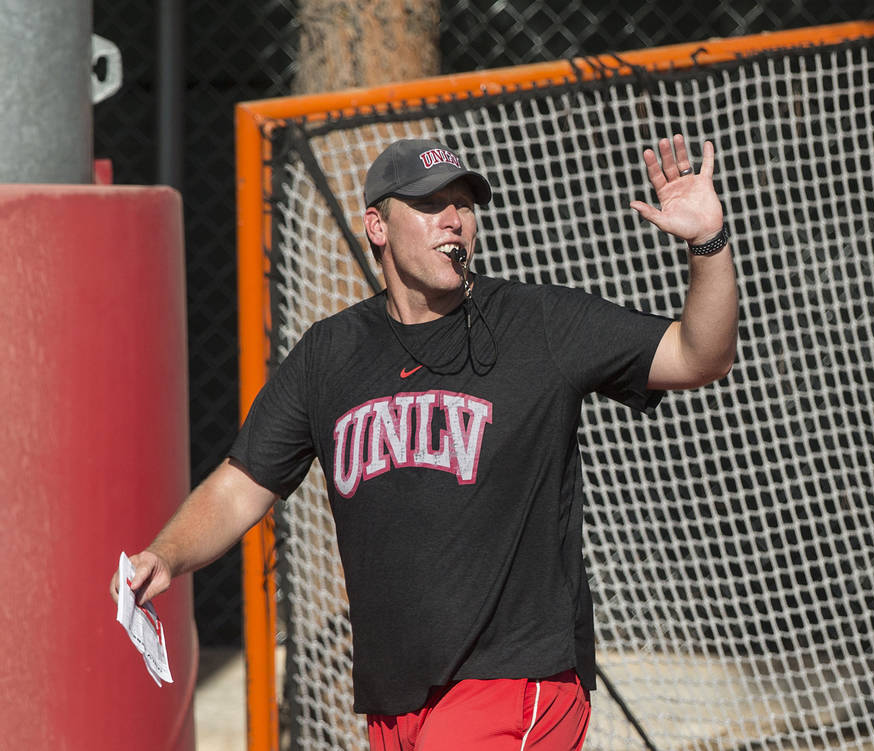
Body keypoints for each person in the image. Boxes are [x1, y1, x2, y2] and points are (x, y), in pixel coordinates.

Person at [111, 133, 737, 750]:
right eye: (429, 205)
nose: (453, 220)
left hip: (516, 680)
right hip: (395, 702)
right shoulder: (330, 354)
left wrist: (708, 244)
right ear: (377, 226)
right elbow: (240, 485)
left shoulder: (536, 323)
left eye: (463, 204)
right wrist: (166, 557)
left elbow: (697, 356)